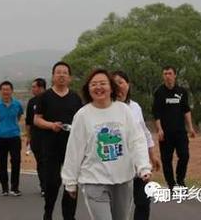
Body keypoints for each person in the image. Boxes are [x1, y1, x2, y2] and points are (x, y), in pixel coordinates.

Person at [61, 69, 152, 220]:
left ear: (111, 87)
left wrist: (143, 166)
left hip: (123, 179)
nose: (98, 87)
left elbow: (137, 140)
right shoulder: (82, 115)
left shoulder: (124, 111)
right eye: (94, 84)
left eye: (103, 83)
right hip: (94, 179)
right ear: (88, 89)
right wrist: (70, 181)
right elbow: (74, 150)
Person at [34, 62, 83, 220]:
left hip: (72, 148)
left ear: (69, 77)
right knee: (52, 184)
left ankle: (69, 216)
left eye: (65, 73)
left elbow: (82, 121)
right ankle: (48, 213)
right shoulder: (44, 97)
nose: (61, 75)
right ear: (53, 76)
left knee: (71, 184)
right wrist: (51, 125)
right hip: (50, 147)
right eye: (58, 72)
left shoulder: (75, 97)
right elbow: (37, 120)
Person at [112, 71, 161, 220]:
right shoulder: (108, 108)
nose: (118, 86)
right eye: (114, 83)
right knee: (119, 207)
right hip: (117, 164)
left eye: (121, 82)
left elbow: (144, 133)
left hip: (139, 162)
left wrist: (152, 155)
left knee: (143, 202)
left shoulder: (135, 107)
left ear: (128, 85)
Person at [152, 66, 196, 189]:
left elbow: (186, 110)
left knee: (184, 155)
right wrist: (159, 129)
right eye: (165, 73)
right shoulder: (159, 92)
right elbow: (156, 113)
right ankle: (171, 184)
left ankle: (180, 180)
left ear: (175, 75)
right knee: (166, 159)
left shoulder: (182, 91)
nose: (167, 76)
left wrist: (190, 127)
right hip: (165, 133)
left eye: (170, 73)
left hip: (180, 131)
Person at [0, 81, 24, 196]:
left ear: (11, 91)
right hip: (0, 137)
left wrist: (12, 126)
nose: (6, 92)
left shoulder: (17, 104)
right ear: (0, 91)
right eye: (3, 89)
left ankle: (15, 188)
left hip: (14, 136)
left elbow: (19, 116)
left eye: (8, 89)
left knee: (16, 161)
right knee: (2, 162)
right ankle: (4, 188)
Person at [25, 77, 47, 196]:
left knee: (48, 161)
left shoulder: (50, 99)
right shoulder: (32, 102)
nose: (32, 89)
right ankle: (43, 186)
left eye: (34, 87)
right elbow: (28, 121)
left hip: (49, 136)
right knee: (40, 162)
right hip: (36, 137)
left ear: (41, 88)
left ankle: (51, 184)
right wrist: (28, 137)